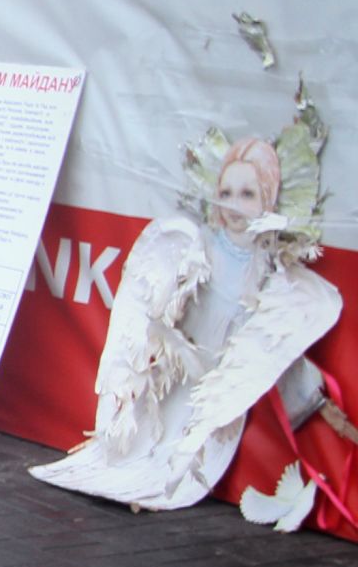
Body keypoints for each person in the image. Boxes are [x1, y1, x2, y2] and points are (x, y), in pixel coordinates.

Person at [30, 130, 343, 523]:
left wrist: (315, 404)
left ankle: (153, 478)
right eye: (226, 193)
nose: (233, 205)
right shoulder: (193, 243)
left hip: (218, 382)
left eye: (247, 195)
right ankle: (114, 453)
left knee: (188, 450)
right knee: (148, 432)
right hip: (178, 367)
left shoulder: (272, 267)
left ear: (268, 196)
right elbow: (153, 316)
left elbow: (273, 346)